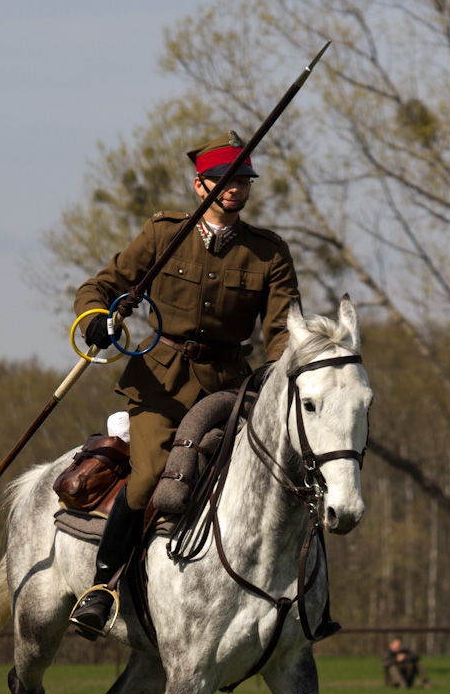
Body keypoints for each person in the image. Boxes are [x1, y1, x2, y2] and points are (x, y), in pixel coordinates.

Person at [70, 130, 301, 638]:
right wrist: (95, 318)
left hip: (230, 387)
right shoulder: (162, 235)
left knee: (269, 476)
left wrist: (284, 370)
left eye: (242, 179)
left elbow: (282, 329)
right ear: (201, 186)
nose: (235, 188)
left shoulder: (270, 253)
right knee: (151, 474)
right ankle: (102, 586)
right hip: (160, 382)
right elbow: (100, 286)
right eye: (223, 179)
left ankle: (286, 596)